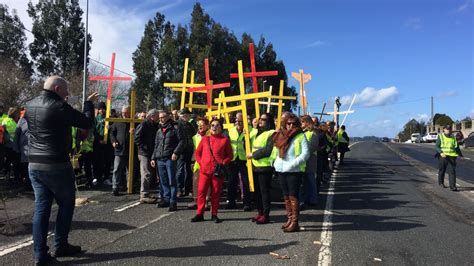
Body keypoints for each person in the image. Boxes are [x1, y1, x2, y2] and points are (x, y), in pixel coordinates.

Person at [25, 76, 98, 265]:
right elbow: (86, 122)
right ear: (57, 88)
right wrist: (89, 104)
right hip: (56, 163)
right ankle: (60, 244)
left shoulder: (30, 104)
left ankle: (40, 254)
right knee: (66, 204)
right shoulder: (57, 106)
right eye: (65, 91)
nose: (67, 95)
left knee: (41, 208)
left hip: (34, 163)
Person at [191, 118, 233, 223]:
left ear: (221, 128)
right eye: (212, 125)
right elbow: (197, 153)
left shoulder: (225, 140)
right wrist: (201, 162)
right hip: (204, 170)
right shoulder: (205, 139)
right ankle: (200, 213)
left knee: (215, 193)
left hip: (217, 171)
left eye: (217, 125)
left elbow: (230, 155)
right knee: (201, 192)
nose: (214, 127)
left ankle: (214, 214)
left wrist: (223, 162)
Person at [273, 113, 309, 232]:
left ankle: (295, 222)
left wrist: (292, 164)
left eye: (294, 123)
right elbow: (275, 151)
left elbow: (305, 154)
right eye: (289, 123)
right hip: (281, 169)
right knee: (286, 196)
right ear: (285, 124)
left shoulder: (300, 136)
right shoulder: (280, 134)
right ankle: (289, 219)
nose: (291, 125)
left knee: (293, 196)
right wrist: (274, 162)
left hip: (294, 170)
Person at [151, 110, 185, 211]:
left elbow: (182, 141)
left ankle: (172, 201)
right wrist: (153, 157)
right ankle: (165, 199)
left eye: (163, 117)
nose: (161, 119)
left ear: (168, 117)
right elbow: (156, 144)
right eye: (160, 117)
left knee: (171, 180)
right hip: (160, 158)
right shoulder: (159, 130)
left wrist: (176, 152)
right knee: (163, 180)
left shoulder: (175, 128)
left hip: (170, 158)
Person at [246, 113, 276, 224]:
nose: (260, 121)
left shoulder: (272, 133)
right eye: (260, 119)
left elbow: (268, 150)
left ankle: (266, 215)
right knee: (257, 192)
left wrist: (253, 155)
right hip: (254, 166)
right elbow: (249, 145)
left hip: (265, 167)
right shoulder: (257, 133)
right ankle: (260, 212)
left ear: (269, 122)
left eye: (263, 119)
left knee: (264, 192)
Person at [226, 113, 251, 211]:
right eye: (237, 121)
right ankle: (231, 202)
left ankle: (247, 203)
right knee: (231, 181)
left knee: (245, 182)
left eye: (240, 121)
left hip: (244, 159)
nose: (238, 123)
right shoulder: (231, 130)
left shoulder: (249, 130)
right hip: (233, 159)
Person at [134, 109, 159, 203]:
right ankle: (144, 194)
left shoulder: (153, 125)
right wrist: (144, 147)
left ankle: (147, 192)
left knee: (149, 173)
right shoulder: (144, 124)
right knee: (146, 173)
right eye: (157, 116)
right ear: (152, 116)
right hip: (144, 153)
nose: (158, 118)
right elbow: (137, 137)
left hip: (150, 152)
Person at [187, 117, 209, 209]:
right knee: (196, 181)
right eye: (198, 124)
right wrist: (192, 161)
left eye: (202, 124)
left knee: (207, 183)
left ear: (207, 126)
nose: (200, 126)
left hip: (208, 162)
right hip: (197, 162)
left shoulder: (210, 135)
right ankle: (196, 200)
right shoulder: (195, 137)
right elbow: (194, 150)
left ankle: (207, 201)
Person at [109, 106, 132, 196]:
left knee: (129, 170)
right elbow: (112, 133)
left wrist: (133, 132)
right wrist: (114, 141)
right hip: (119, 150)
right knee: (117, 169)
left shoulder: (133, 122)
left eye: (126, 113)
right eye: (123, 113)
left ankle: (129, 186)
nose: (125, 115)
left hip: (130, 150)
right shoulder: (117, 122)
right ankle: (115, 187)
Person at [299, 115, 320, 209]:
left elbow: (313, 146)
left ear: (307, 122)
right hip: (304, 159)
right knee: (304, 181)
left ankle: (313, 199)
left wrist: (304, 153)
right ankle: (306, 198)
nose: (301, 124)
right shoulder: (304, 132)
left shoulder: (314, 132)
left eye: (302, 122)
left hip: (311, 159)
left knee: (311, 179)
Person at [436, 125, 463, 191]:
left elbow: (456, 147)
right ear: (444, 129)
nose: (448, 130)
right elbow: (437, 146)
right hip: (443, 156)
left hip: (452, 156)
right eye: (447, 129)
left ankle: (453, 186)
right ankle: (441, 182)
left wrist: (460, 155)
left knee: (452, 171)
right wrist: (441, 152)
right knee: (442, 170)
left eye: (449, 129)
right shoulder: (440, 136)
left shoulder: (453, 137)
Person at [176, 109, 196, 197]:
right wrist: (176, 151)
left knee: (188, 171)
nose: (187, 117)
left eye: (188, 115)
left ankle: (187, 189)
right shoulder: (177, 125)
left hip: (189, 150)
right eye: (186, 115)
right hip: (180, 151)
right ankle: (179, 189)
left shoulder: (190, 125)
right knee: (180, 171)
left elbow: (193, 136)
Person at [92, 102, 113, 186]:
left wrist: (110, 127)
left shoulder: (109, 118)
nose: (101, 110)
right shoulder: (95, 119)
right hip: (98, 143)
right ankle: (97, 177)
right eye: (100, 109)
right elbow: (94, 131)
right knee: (97, 161)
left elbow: (113, 129)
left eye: (103, 109)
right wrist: (98, 140)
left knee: (107, 161)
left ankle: (106, 178)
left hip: (107, 143)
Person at [2, 107, 20, 183]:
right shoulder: (7, 121)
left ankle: (14, 177)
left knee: (12, 161)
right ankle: (9, 177)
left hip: (13, 144)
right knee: (11, 161)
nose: (18, 114)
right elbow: (4, 133)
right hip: (10, 144)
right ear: (13, 113)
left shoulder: (15, 120)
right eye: (17, 113)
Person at [14, 110, 31, 189]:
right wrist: (16, 148)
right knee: (26, 167)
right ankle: (28, 184)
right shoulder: (22, 121)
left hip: (36, 149)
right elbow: (16, 134)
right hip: (25, 149)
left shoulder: (37, 119)